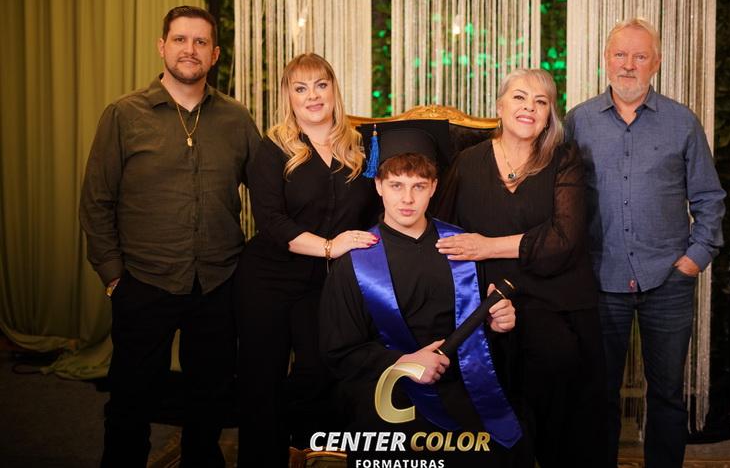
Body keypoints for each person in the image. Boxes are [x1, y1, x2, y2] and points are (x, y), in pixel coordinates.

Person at [79, 5, 261, 467]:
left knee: (211, 399)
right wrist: (113, 276)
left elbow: (269, 197)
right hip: (143, 281)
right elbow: (96, 201)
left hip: (218, 283)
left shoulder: (236, 119)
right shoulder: (123, 115)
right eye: (180, 39)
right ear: (162, 47)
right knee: (131, 400)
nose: (189, 50)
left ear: (215, 54)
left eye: (201, 42)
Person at [564, 18, 726, 468]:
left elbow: (709, 197)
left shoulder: (682, 122)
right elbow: (559, 197)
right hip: (600, 279)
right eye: (620, 54)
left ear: (656, 63)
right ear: (606, 59)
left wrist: (694, 259)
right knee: (599, 393)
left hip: (669, 280)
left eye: (640, 56)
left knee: (667, 396)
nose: (628, 65)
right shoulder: (578, 121)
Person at [320, 120, 522, 466]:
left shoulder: (463, 248)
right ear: (378, 186)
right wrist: (404, 362)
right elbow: (339, 351)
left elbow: (486, 337)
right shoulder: (355, 261)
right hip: (388, 393)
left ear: (434, 187)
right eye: (396, 185)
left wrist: (499, 324)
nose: (407, 198)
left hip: (462, 388)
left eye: (419, 186)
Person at [435, 68, 607, 466]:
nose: (529, 107)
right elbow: (444, 234)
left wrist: (486, 246)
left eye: (541, 102)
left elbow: (563, 239)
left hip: (554, 300)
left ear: (549, 116)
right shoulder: (466, 163)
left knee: (557, 369)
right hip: (485, 303)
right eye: (519, 97)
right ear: (499, 106)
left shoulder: (564, 159)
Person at [234, 53, 380, 467]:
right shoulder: (273, 148)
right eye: (301, 88)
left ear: (333, 89)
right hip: (268, 279)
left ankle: (303, 450)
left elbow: (374, 213)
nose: (312, 96)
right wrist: (331, 246)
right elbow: (271, 221)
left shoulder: (362, 146)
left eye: (320, 85)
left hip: (325, 284)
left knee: (319, 369)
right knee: (262, 379)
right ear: (289, 97)